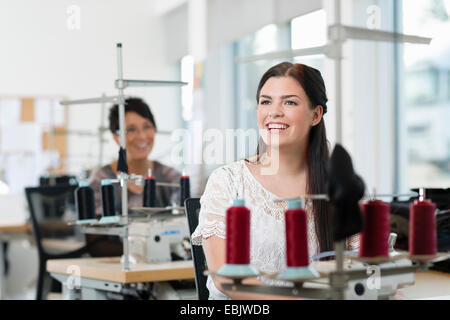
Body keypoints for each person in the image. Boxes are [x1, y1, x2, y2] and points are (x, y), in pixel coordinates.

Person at [191, 62, 359, 300]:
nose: (274, 112)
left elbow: (368, 270)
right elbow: (227, 279)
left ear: (316, 114)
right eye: (266, 101)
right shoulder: (228, 182)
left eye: (289, 102)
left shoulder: (339, 186)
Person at [87, 97, 181, 257]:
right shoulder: (101, 180)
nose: (142, 136)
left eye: (147, 126)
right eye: (131, 129)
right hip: (116, 271)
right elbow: (97, 246)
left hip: (163, 269)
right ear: (116, 137)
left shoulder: (171, 177)